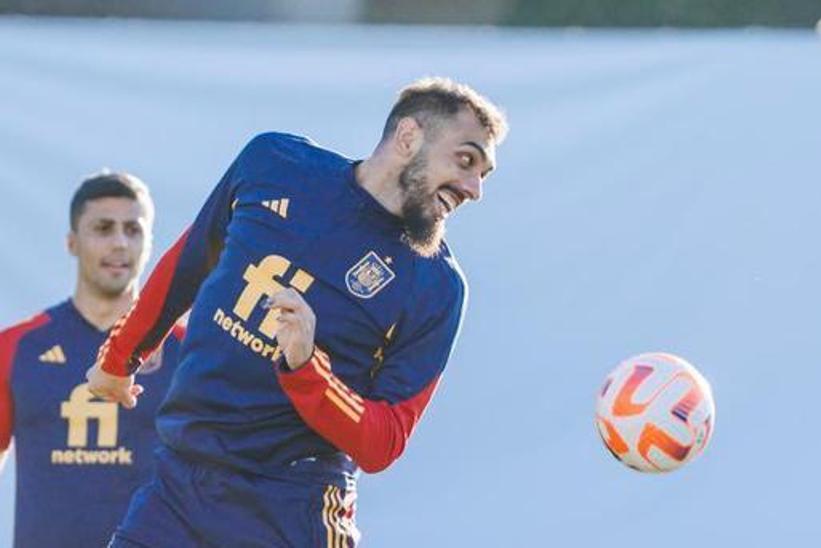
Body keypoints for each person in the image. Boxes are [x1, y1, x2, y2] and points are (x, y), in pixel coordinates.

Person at [86, 77, 509, 546]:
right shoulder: (275, 162)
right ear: (408, 137)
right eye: (466, 160)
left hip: (291, 509)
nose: (474, 189)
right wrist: (119, 358)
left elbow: (383, 442)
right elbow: (191, 260)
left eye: (483, 175)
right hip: (179, 484)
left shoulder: (437, 287)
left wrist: (307, 368)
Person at [0, 172, 182, 546]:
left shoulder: (189, 349)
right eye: (103, 228)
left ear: (150, 243)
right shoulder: (16, 347)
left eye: (133, 230)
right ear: (71, 242)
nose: (119, 243)